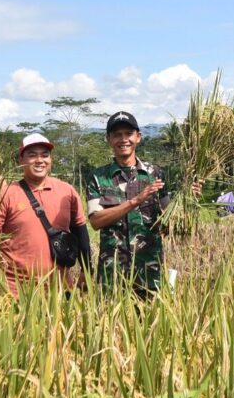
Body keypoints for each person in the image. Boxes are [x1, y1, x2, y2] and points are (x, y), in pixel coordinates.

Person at [86, 111, 201, 297]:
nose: (123, 139)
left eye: (128, 134)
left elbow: (169, 221)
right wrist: (135, 201)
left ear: (138, 137)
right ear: (108, 139)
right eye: (117, 134)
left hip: (150, 271)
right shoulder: (98, 177)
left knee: (152, 323)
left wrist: (188, 200)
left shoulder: (155, 174)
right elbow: (96, 221)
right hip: (113, 273)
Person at [0, 133, 92, 295]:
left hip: (61, 288)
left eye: (45, 155)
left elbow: (81, 234)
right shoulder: (7, 193)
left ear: (50, 160)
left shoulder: (67, 191)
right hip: (16, 291)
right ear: (21, 160)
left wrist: (87, 272)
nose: (39, 160)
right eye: (32, 155)